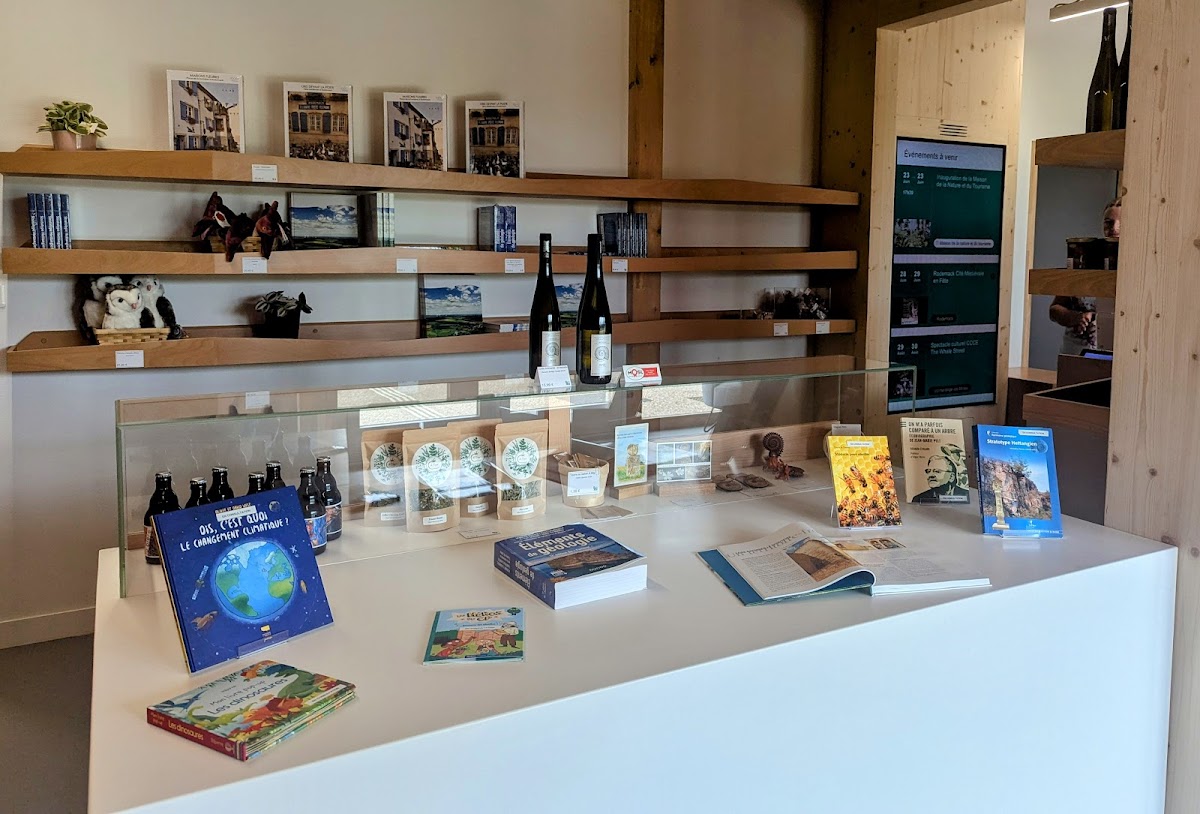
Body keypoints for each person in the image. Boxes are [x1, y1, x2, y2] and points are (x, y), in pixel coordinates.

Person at [1049, 198, 1120, 355]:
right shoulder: (1084, 259)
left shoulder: (1138, 268)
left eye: (1121, 222)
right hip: (1074, 353)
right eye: (1108, 222)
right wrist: (1075, 317)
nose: (1114, 228)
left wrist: (1100, 319)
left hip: (1114, 355)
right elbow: (1054, 309)